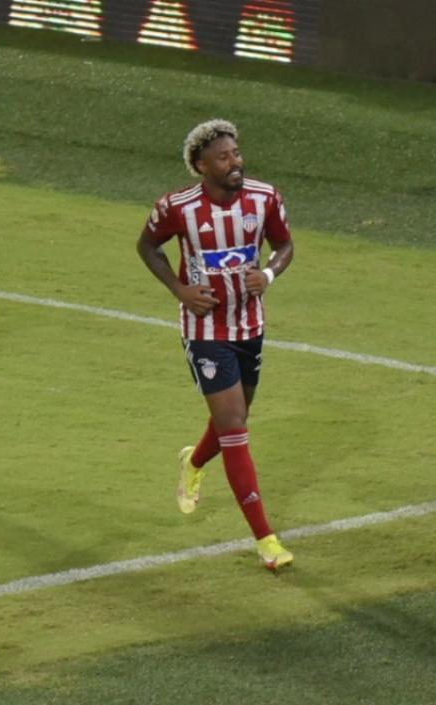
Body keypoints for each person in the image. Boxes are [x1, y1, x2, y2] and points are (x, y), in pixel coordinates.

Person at [136, 119, 296, 571]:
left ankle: (194, 460)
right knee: (235, 429)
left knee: (237, 416)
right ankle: (266, 539)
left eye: (237, 153)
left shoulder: (265, 198)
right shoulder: (177, 206)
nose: (235, 162)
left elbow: (285, 246)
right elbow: (148, 246)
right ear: (201, 165)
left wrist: (267, 274)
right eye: (224, 157)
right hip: (205, 332)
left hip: (250, 326)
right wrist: (179, 289)